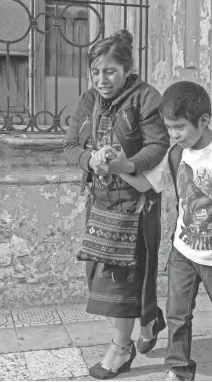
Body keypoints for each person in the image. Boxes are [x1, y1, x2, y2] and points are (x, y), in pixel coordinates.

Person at [107, 81, 212, 381]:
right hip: (183, 251)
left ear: (203, 120)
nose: (173, 135)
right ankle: (179, 370)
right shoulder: (176, 154)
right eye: (169, 128)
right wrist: (118, 168)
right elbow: (146, 183)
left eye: (179, 127)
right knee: (177, 316)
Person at [63, 29, 169, 379]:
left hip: (135, 206)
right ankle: (148, 315)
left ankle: (120, 350)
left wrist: (124, 164)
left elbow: (158, 145)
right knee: (98, 278)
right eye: (96, 71)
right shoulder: (88, 101)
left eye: (109, 71)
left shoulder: (145, 98)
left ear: (127, 69)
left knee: (119, 279)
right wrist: (89, 160)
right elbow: (68, 146)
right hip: (100, 205)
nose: (101, 79)